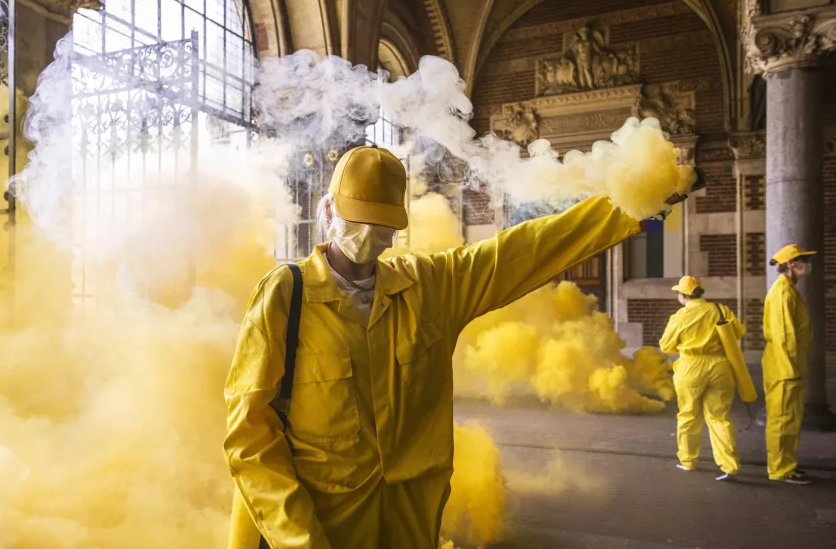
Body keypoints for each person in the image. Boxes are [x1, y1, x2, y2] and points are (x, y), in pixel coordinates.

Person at [224, 145, 692, 549]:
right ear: (328, 210)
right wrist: (299, 539)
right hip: (319, 526)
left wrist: (634, 204)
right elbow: (250, 438)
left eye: (381, 224)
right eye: (356, 219)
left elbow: (524, 250)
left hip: (409, 521)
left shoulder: (429, 286)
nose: (369, 236)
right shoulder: (286, 295)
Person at [659, 276, 744, 481]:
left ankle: (688, 461)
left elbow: (666, 346)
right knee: (719, 417)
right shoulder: (721, 310)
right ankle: (729, 466)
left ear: (683, 295)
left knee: (688, 415)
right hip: (719, 366)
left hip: (690, 368)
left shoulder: (679, 316)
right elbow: (738, 333)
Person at [763, 244, 815, 485]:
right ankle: (780, 469)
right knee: (782, 419)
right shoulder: (782, 292)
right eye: (803, 259)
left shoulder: (788, 290)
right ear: (791, 264)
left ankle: (787, 464)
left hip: (790, 366)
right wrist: (790, 369)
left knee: (789, 418)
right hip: (785, 368)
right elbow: (784, 334)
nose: (807, 264)